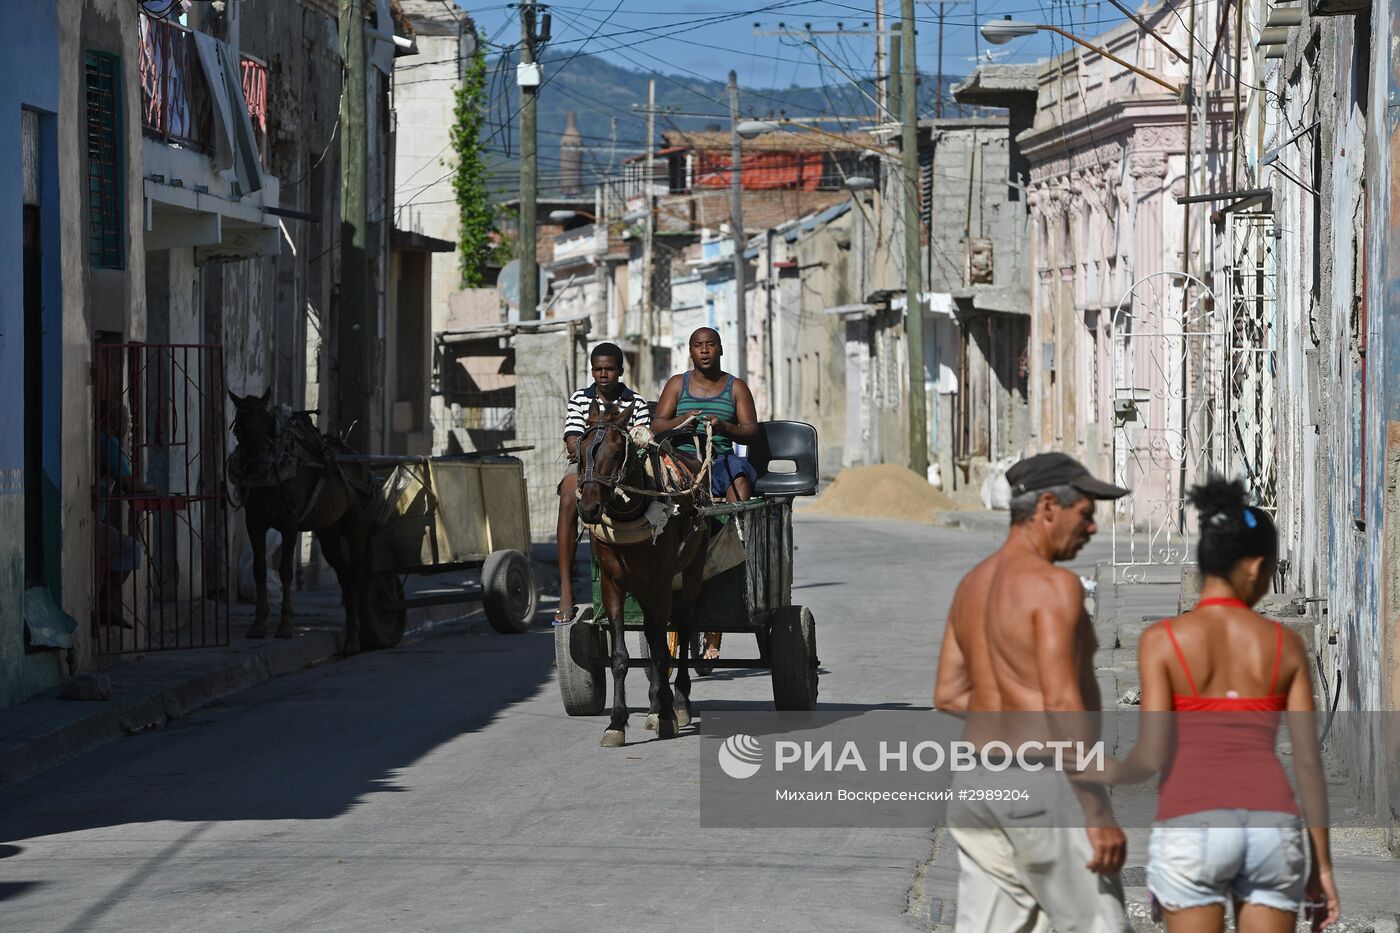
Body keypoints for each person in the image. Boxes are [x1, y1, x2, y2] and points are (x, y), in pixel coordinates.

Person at [1074, 477, 1340, 932]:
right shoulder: (1286, 646)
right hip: (1270, 827)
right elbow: (1309, 767)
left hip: (1191, 824)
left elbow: (1151, 756)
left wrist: (1105, 771)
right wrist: (1323, 869)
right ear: (1255, 568)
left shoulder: (1163, 642)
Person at [933, 451, 1133, 933]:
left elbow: (947, 693)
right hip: (1043, 787)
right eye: (1085, 515)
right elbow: (1063, 704)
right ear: (1047, 507)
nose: (1091, 530)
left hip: (977, 785)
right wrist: (1094, 809)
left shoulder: (972, 584)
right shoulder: (1055, 588)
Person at [651, 327, 759, 661]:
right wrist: (682, 420)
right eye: (698, 346)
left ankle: (738, 542)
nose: (705, 351)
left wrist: (724, 427)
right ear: (690, 352)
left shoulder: (735, 387)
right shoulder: (676, 384)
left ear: (720, 349)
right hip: (681, 463)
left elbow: (751, 431)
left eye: (710, 345)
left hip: (720, 460)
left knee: (738, 481)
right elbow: (656, 424)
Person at [556, 343, 651, 624]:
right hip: (586, 464)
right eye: (598, 369)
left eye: (609, 369)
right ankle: (565, 589)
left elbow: (641, 441)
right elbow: (573, 438)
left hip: (623, 467)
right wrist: (588, 453)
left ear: (620, 371)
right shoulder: (579, 399)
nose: (603, 374)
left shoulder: (636, 401)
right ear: (592, 371)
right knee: (568, 498)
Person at [96, 401, 157, 629]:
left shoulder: (105, 443)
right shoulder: (109, 444)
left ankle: (104, 606)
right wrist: (152, 488)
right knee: (131, 549)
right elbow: (130, 484)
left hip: (92, 521)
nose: (128, 425)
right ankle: (103, 607)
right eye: (126, 420)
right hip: (88, 524)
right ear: (112, 422)